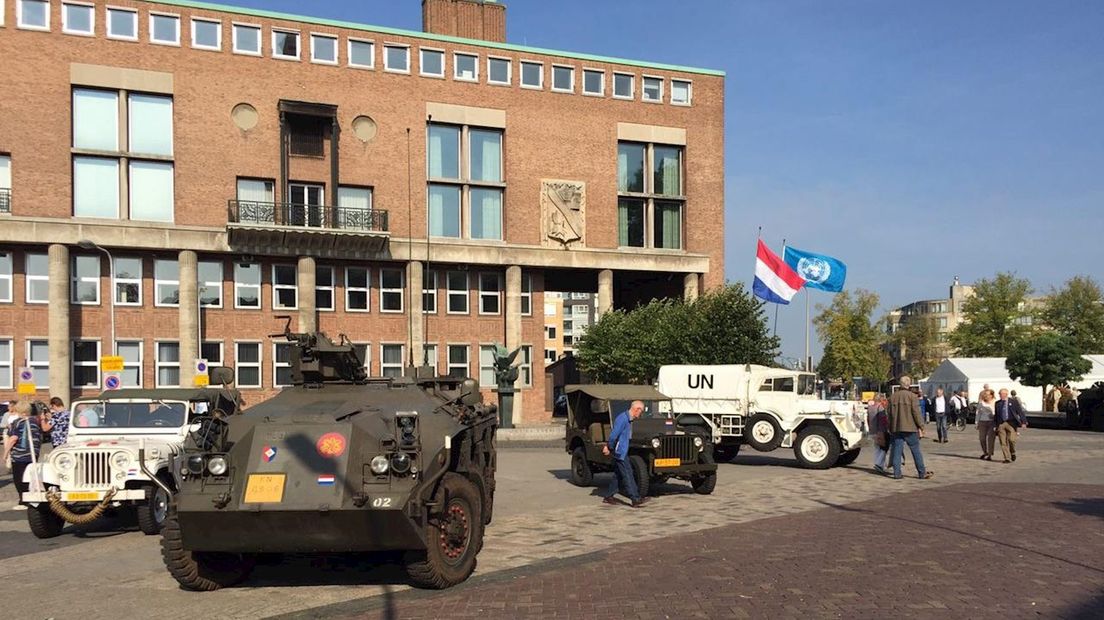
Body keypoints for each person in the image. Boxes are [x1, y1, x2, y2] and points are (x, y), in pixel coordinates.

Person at [887, 376, 933, 480]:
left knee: (897, 451)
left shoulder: (893, 397)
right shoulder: (912, 397)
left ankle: (897, 473)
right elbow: (916, 413)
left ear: (900, 384)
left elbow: (888, 414)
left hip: (896, 427)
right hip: (910, 428)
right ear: (909, 385)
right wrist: (921, 426)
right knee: (915, 450)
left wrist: (890, 427)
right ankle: (922, 472)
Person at [602, 400, 646, 508]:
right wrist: (609, 447)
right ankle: (635, 498)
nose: (641, 414)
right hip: (619, 452)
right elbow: (613, 436)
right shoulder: (623, 419)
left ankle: (608, 496)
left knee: (619, 474)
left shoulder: (628, 419)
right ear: (637, 410)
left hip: (622, 450)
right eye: (641, 411)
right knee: (627, 474)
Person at [2, 401, 43, 510]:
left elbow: (13, 439)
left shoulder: (17, 422)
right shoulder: (35, 422)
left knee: (19, 479)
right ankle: (32, 498)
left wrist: (5, 454)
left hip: (19, 455)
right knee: (30, 477)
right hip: (33, 453)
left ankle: (23, 501)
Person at [994, 388, 1026, 463]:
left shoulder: (1013, 402)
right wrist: (995, 425)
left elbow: (1020, 412)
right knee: (1003, 442)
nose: (1000, 395)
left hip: (1011, 423)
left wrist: (1023, 422)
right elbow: (996, 415)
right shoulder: (998, 403)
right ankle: (1007, 458)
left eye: (1001, 394)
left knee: (1011, 440)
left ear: (1006, 394)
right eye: (999, 394)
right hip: (1001, 424)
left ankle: (1013, 452)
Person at [868, 395, 890, 473]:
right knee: (884, 448)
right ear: (880, 399)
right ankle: (879, 464)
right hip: (880, 431)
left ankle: (877, 463)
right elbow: (882, 420)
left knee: (877, 448)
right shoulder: (880, 407)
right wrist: (885, 429)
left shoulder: (870, 407)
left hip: (872, 431)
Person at [975, 389, 997, 460]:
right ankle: (985, 452)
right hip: (982, 421)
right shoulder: (981, 403)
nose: (986, 396)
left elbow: (997, 413)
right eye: (985, 394)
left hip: (992, 422)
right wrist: (976, 422)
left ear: (991, 395)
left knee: (990, 438)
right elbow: (978, 413)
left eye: (987, 395)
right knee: (982, 438)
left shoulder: (995, 402)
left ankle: (990, 454)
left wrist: (993, 415)